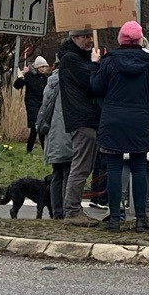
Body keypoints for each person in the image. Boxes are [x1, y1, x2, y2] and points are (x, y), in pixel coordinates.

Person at [90, 21, 149, 231]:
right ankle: (141, 219)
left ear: (120, 40)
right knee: (139, 169)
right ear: (141, 40)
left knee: (114, 169)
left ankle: (115, 218)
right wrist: (146, 116)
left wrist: (95, 64)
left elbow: (96, 88)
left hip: (113, 120)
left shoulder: (109, 62)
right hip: (139, 121)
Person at [55, 30, 103, 222]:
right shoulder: (71, 60)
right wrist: (95, 65)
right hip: (82, 118)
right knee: (81, 166)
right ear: (74, 38)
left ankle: (74, 209)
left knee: (83, 165)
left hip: (85, 117)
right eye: (85, 36)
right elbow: (92, 84)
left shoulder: (76, 58)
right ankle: (72, 210)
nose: (89, 40)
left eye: (90, 36)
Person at [37, 63, 73, 219]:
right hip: (66, 132)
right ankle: (67, 210)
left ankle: (57, 211)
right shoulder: (69, 83)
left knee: (57, 173)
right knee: (68, 172)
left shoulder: (50, 83)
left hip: (52, 134)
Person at [18, 55, 51, 153]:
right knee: (35, 126)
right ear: (37, 67)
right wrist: (21, 78)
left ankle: (31, 149)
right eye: (42, 67)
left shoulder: (47, 77)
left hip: (43, 104)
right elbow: (17, 85)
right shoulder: (29, 76)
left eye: (45, 67)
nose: (44, 69)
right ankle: (42, 149)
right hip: (32, 104)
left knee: (38, 127)